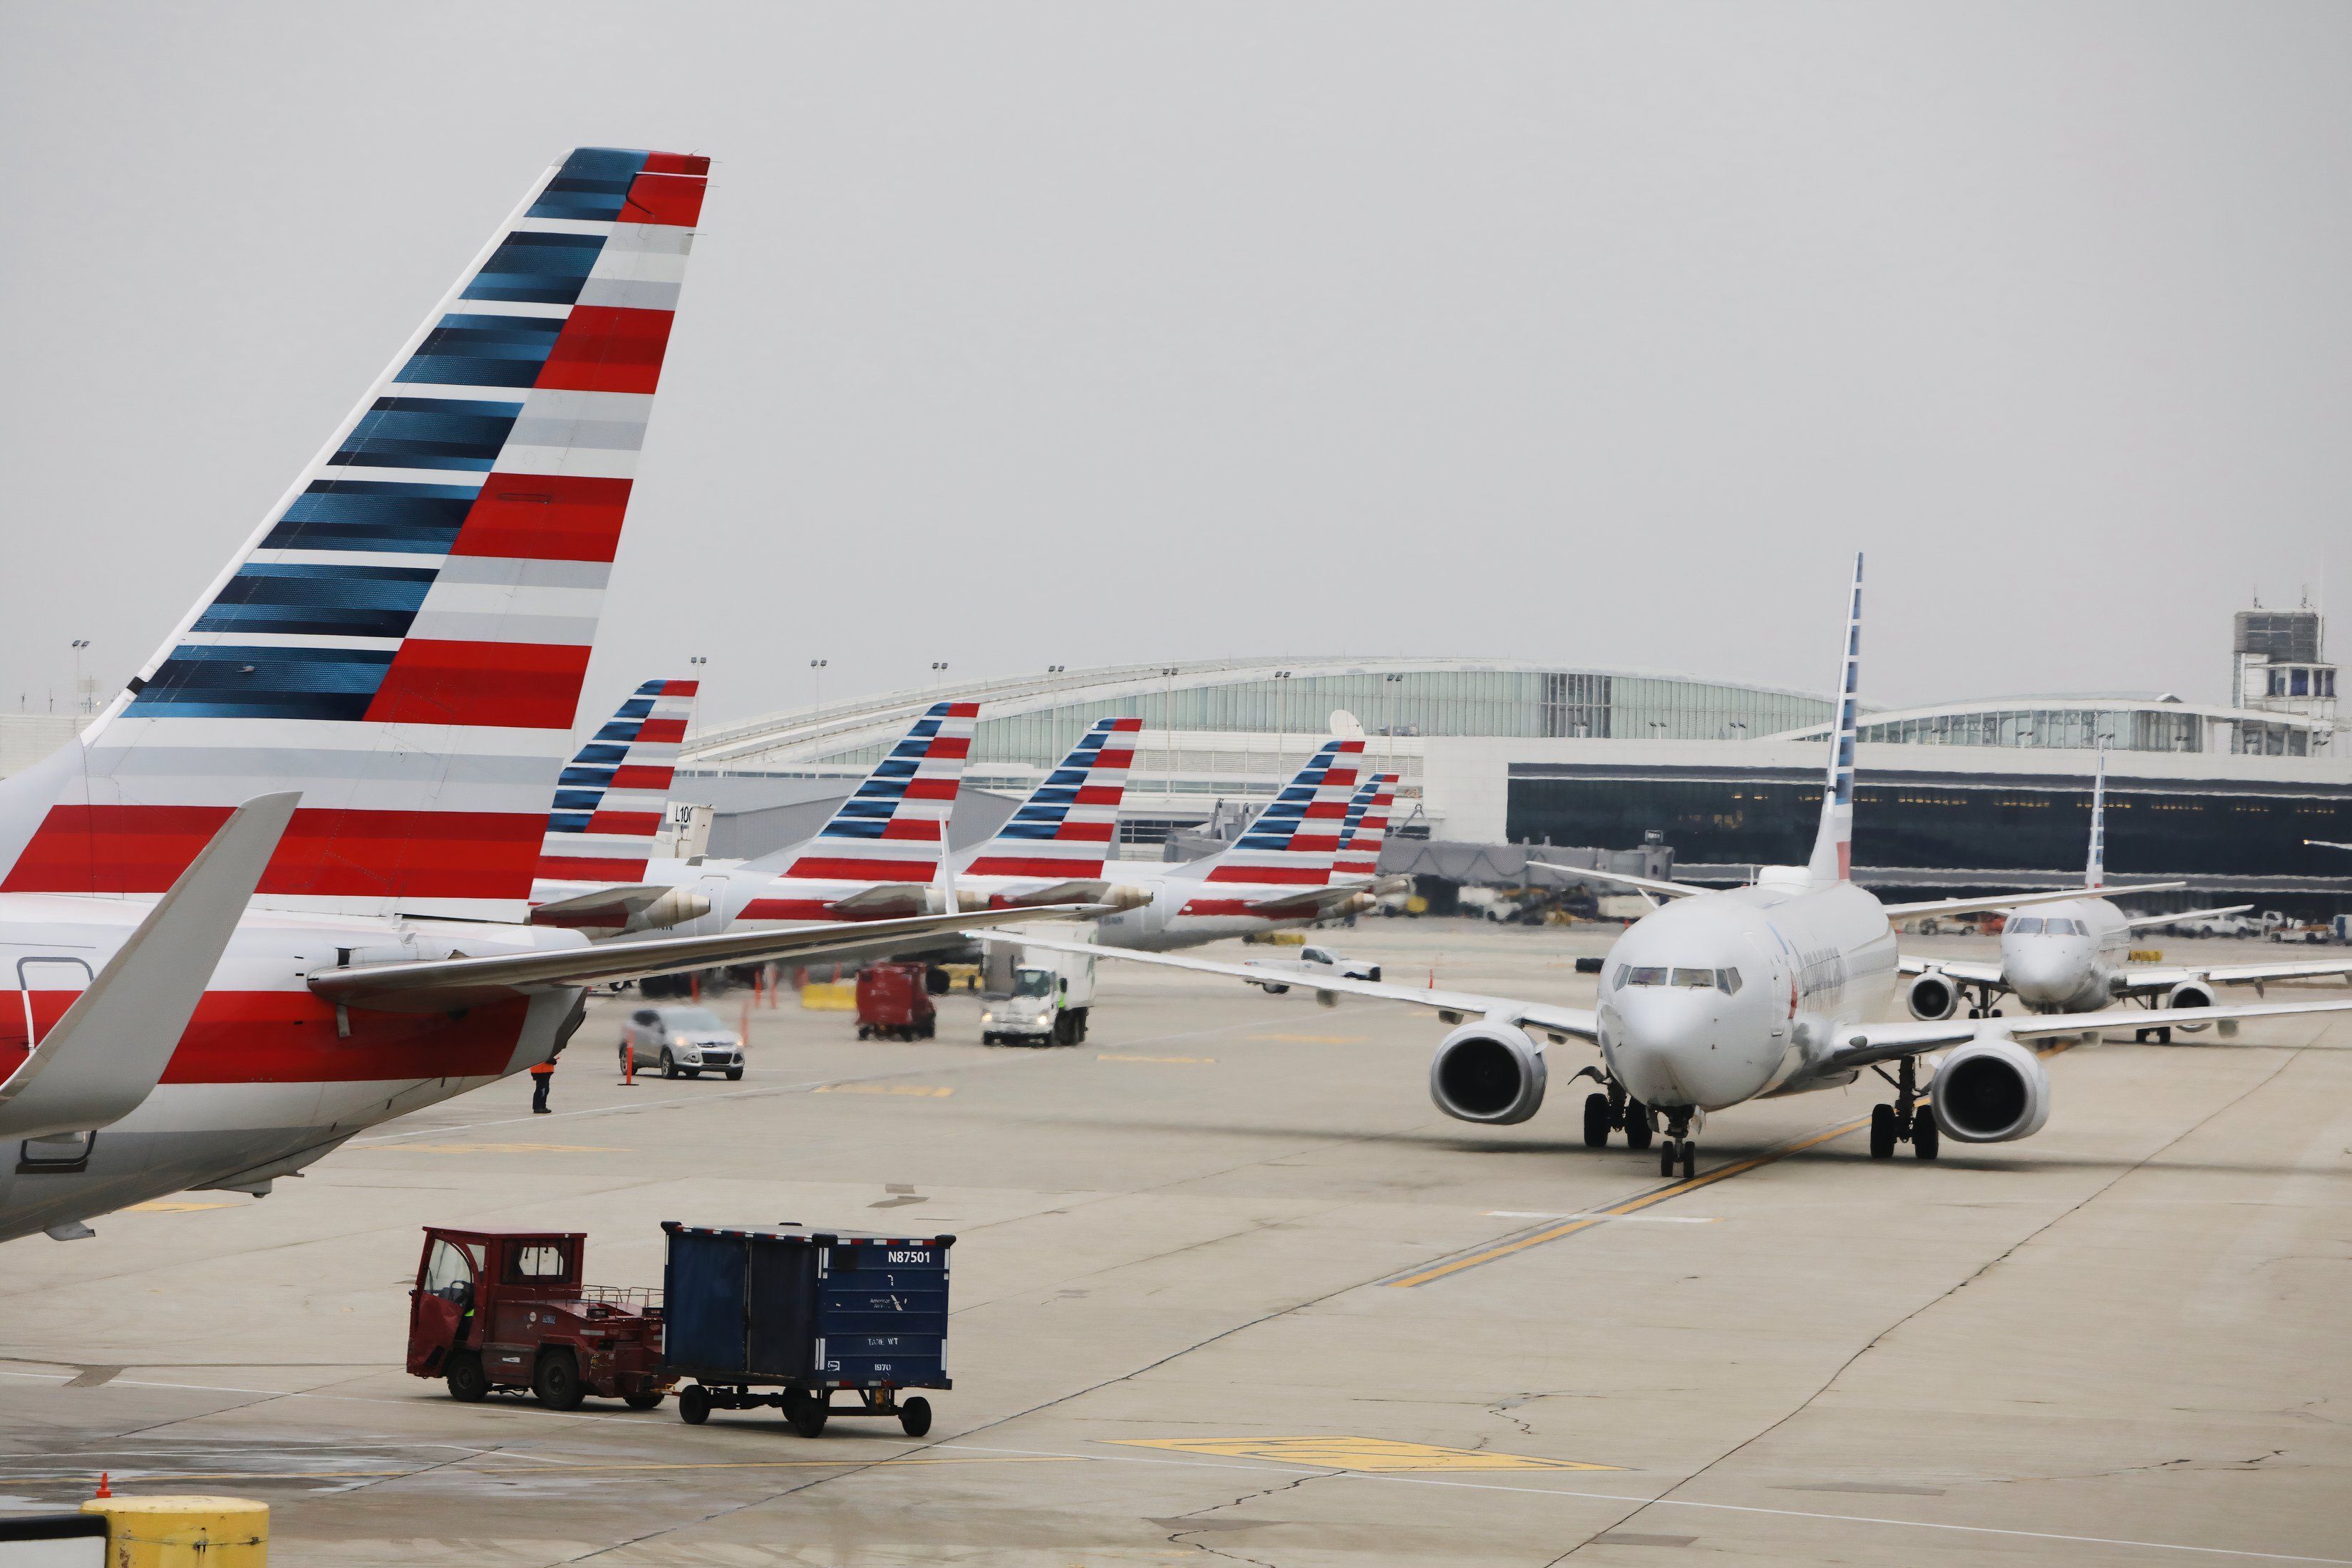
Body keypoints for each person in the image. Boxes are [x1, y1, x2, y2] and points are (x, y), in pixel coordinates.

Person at [529, 1045, 562, 1113]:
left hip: (542, 1071)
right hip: (541, 1071)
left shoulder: (539, 1048)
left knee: (545, 1089)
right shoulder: (541, 1048)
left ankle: (542, 1106)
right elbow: (546, 1058)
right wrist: (553, 1061)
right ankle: (538, 1107)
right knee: (542, 1090)